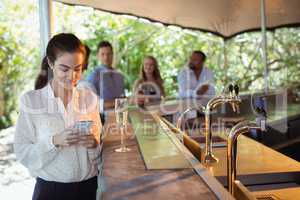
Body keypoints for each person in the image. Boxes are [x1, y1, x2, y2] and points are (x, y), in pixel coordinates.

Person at [14, 33, 102, 200]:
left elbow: (99, 156)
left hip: (88, 188)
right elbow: (23, 153)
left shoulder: (90, 99)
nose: (72, 76)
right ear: (50, 63)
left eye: (78, 69)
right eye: (64, 69)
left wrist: (94, 144)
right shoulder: (31, 101)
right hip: (50, 191)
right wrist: (54, 141)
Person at [86, 41, 125, 112]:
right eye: (102, 54)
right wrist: (115, 103)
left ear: (113, 55)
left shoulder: (119, 75)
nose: (106, 57)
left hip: (120, 114)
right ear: (98, 56)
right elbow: (88, 103)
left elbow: (123, 98)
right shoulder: (94, 75)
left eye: (109, 54)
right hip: (102, 117)